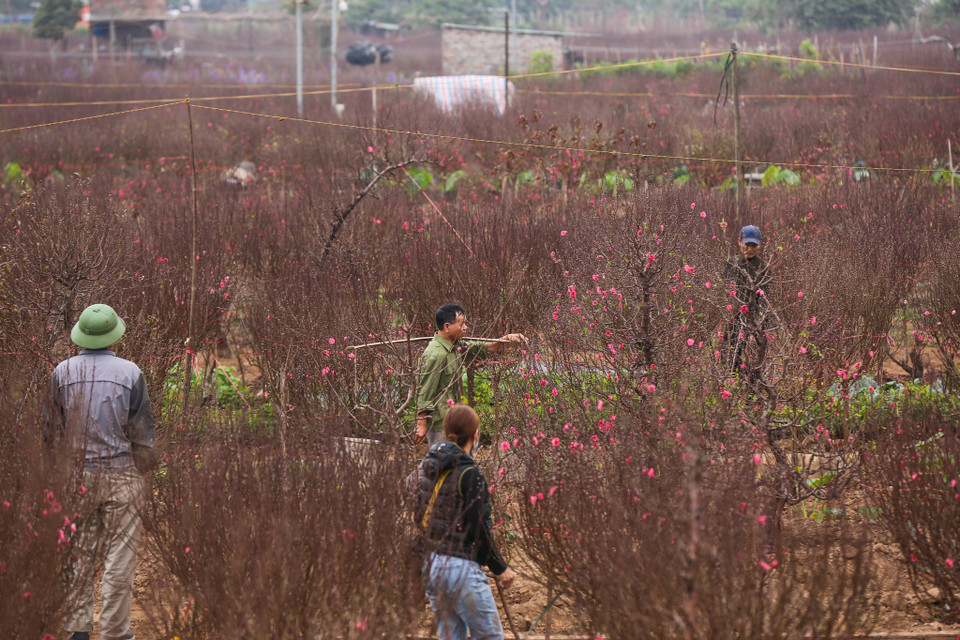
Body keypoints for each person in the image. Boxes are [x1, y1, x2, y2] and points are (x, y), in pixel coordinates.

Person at [43, 304, 155, 640]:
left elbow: (51, 433)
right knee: (120, 561)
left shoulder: (61, 373)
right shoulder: (131, 373)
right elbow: (143, 434)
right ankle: (115, 633)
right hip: (122, 477)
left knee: (78, 555)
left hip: (78, 479)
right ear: (114, 335)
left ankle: (77, 630)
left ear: (81, 336)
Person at [416, 404, 517, 640]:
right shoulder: (470, 474)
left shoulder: (430, 469)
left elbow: (418, 517)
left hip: (432, 567)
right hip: (460, 570)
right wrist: (500, 568)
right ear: (475, 435)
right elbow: (478, 529)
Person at [414, 303, 526, 445]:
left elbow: (482, 348)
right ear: (447, 327)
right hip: (439, 425)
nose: (465, 328)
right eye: (462, 325)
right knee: (441, 463)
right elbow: (424, 392)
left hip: (452, 420)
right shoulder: (435, 354)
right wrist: (421, 425)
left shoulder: (455, 346)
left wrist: (506, 339)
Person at [723, 225, 773, 380]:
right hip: (733, 318)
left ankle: (751, 387)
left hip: (753, 320)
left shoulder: (763, 267)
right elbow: (723, 293)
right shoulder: (731, 264)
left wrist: (757, 328)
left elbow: (765, 300)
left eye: (754, 245)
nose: (750, 249)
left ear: (759, 245)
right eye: (747, 244)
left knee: (754, 361)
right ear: (739, 242)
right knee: (728, 358)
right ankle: (739, 383)